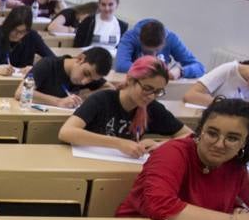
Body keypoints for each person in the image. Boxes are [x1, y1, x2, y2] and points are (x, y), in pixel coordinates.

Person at [118, 97, 249, 220]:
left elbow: (240, 206)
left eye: (232, 138)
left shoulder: (236, 164)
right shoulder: (172, 153)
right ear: (200, 131)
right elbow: (160, 206)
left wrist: (241, 213)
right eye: (212, 133)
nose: (219, 144)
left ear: (244, 142)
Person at [58, 56, 192, 158]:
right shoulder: (102, 100)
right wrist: (119, 143)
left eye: (158, 92)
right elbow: (66, 132)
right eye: (147, 88)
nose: (151, 96)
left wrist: (159, 145)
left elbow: (190, 136)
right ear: (130, 80)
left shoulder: (152, 107)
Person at [19, 47, 113, 109]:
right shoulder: (47, 64)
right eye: (86, 73)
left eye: (92, 80)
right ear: (81, 59)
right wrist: (58, 102)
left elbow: (110, 88)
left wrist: (83, 97)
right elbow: (20, 92)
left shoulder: (91, 74)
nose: (85, 82)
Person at [0, 7, 55, 75]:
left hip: (23, 84)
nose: (17, 35)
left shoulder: (32, 36)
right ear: (8, 25)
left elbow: (54, 60)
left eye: (22, 32)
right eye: (14, 30)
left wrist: (35, 68)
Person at [115, 19, 205, 79]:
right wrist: (158, 72)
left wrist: (181, 71)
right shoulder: (130, 36)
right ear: (140, 40)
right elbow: (121, 65)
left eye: (157, 51)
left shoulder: (171, 38)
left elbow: (199, 67)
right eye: (148, 52)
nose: (153, 56)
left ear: (164, 43)